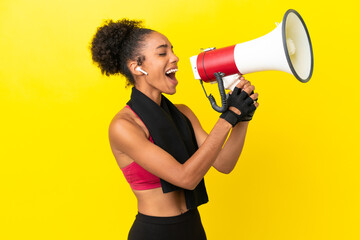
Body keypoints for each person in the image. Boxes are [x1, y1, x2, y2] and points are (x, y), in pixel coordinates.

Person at [90, 19, 259, 240]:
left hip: (192, 227)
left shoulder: (183, 113)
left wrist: (243, 116)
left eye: (172, 50)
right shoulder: (124, 126)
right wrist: (229, 117)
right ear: (137, 67)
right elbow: (186, 178)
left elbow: (224, 164)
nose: (174, 57)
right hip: (154, 233)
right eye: (162, 53)